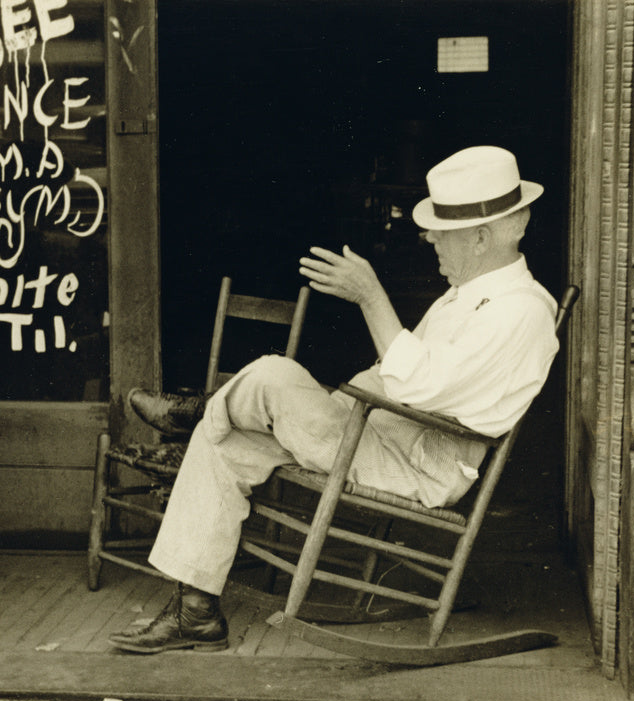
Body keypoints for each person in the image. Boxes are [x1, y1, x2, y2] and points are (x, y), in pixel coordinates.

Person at [110, 145, 561, 654]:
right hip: (380, 432)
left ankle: (192, 412)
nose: (428, 236)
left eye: (442, 229)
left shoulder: (519, 312)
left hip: (411, 463)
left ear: (480, 237)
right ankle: (196, 612)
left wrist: (371, 295)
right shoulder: (469, 294)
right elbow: (409, 382)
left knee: (274, 374)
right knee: (228, 440)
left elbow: (418, 386)